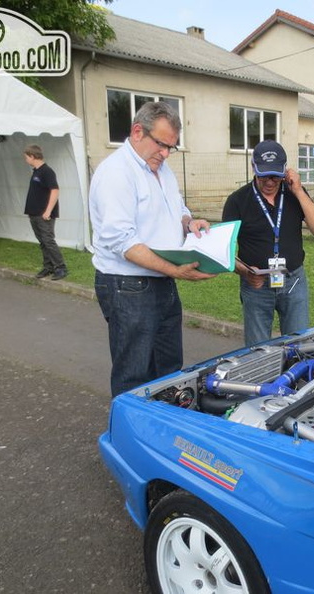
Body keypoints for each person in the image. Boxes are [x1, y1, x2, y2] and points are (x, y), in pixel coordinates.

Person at [89, 101, 215, 397]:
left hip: (162, 281)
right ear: (137, 131)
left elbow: (175, 207)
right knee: (135, 373)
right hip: (128, 285)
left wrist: (189, 221)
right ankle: (131, 437)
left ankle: (162, 431)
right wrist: (176, 271)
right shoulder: (116, 173)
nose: (166, 153)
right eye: (162, 144)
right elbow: (123, 242)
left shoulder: (161, 169)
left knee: (169, 368)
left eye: (172, 147)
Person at [222, 140, 314, 346]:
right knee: (257, 351)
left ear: (285, 171)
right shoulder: (237, 201)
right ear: (253, 168)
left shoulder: (294, 194)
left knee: (299, 346)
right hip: (256, 285)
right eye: (263, 175)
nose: (270, 182)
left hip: (293, 282)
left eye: (275, 176)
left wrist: (298, 191)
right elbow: (224, 251)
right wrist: (245, 272)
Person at [23, 145, 68, 280]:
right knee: (42, 241)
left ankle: (60, 267)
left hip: (44, 214)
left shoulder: (47, 171)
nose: (25, 160)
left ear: (32, 156)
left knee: (48, 240)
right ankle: (48, 266)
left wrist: (48, 211)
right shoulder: (36, 172)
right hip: (34, 213)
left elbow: (55, 190)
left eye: (26, 157)